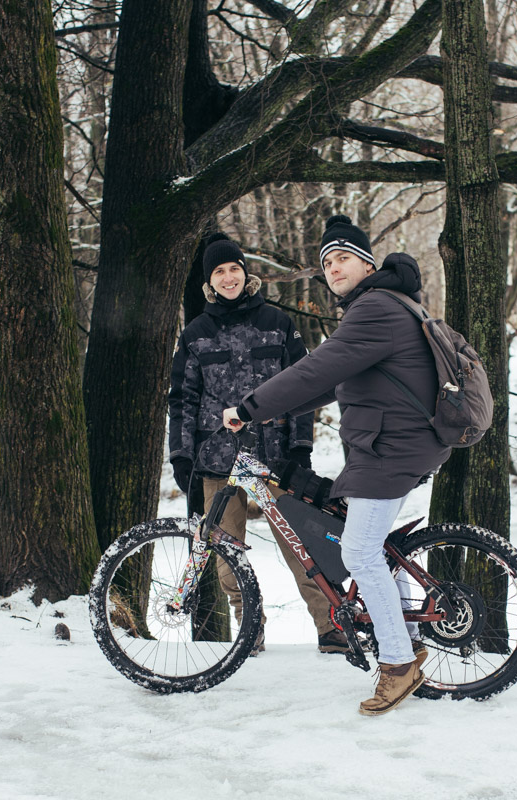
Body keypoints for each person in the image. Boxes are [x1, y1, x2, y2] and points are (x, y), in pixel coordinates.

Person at [223, 214, 451, 715]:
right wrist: (273, 411)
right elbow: (333, 382)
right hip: (399, 443)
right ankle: (409, 642)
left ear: (368, 263)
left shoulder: (374, 309)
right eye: (326, 261)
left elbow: (317, 367)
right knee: (379, 551)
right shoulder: (387, 304)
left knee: (360, 553)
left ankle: (397, 664)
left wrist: (249, 407)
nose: (333, 268)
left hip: (392, 447)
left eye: (343, 257)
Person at [168, 232, 349, 654]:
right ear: (209, 283)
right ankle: (251, 631)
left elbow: (305, 388)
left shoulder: (277, 323)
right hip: (217, 463)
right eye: (219, 272)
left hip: (275, 460)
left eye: (234, 268)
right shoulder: (195, 334)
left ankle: (330, 628)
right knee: (228, 563)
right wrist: (181, 457)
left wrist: (300, 447)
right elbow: (182, 399)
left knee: (301, 548)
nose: (229, 277)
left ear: (245, 274)